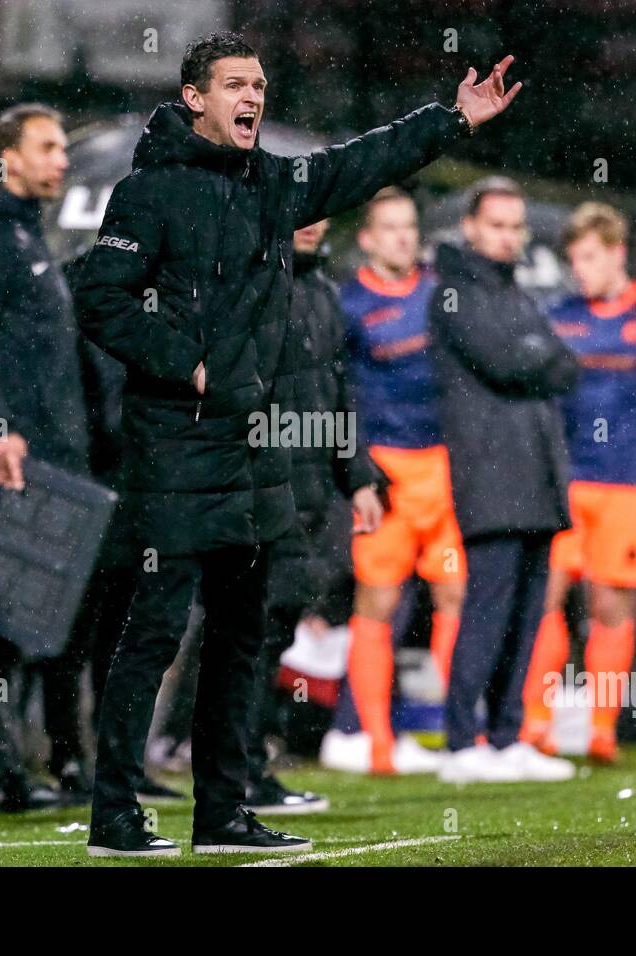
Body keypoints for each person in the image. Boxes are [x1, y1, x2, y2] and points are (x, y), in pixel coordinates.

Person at [71, 31, 521, 856]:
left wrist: (452, 118)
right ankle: (114, 814)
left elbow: (363, 162)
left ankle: (222, 813)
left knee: (247, 636)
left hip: (255, 453)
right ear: (194, 95)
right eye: (236, 84)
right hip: (175, 447)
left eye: (261, 85)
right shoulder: (147, 193)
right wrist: (189, 365)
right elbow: (99, 299)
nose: (254, 98)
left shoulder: (271, 185)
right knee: (155, 632)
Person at [0, 102, 102, 811]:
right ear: (8, 156)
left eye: (63, 146)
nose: (62, 160)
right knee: (7, 620)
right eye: (47, 147)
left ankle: (49, 761)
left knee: (49, 615)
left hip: (55, 456)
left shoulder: (21, 231)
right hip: (17, 456)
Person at [519, 202, 636, 764]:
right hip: (563, 484)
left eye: (588, 257)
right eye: (573, 259)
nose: (579, 269)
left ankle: (602, 727)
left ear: (617, 253)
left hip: (627, 484)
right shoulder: (558, 318)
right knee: (546, 598)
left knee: (610, 607)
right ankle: (534, 724)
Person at [428, 178, 580, 783]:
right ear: (470, 228)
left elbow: (564, 366)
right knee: (486, 610)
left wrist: (538, 353)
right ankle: (462, 742)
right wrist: (540, 353)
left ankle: (507, 733)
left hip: (537, 473)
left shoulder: (516, 295)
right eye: (497, 224)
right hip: (490, 472)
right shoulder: (452, 294)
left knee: (527, 613)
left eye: (516, 226)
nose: (509, 236)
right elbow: (508, 359)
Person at [320, 186, 464, 777]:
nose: (403, 237)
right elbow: (334, 392)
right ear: (367, 239)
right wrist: (354, 469)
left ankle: (466, 735)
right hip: (387, 471)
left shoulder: (441, 292)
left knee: (455, 595)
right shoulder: (348, 305)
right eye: (391, 228)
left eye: (410, 226)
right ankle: (367, 737)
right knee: (379, 602)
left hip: (447, 466)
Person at [244, 216, 384, 813]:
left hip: (312, 491)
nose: (311, 223)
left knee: (274, 631)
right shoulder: (249, 282)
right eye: (297, 209)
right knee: (248, 632)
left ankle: (249, 765)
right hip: (260, 486)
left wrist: (358, 478)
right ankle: (237, 769)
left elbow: (338, 390)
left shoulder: (325, 291)